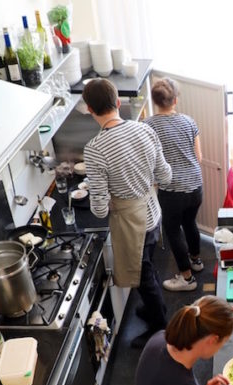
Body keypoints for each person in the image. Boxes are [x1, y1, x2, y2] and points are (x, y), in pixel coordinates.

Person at [82, 79, 172, 346]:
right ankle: (158, 309)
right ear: (118, 102)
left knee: (142, 276)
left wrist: (109, 200)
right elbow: (165, 176)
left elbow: (98, 209)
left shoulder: (95, 150)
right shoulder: (145, 130)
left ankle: (160, 329)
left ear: (89, 109)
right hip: (153, 213)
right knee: (147, 266)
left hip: (132, 224)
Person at [142, 77, 204, 293]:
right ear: (175, 100)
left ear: (154, 100)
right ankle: (196, 260)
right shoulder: (189, 121)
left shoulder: (147, 126)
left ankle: (186, 278)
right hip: (195, 185)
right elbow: (199, 156)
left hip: (172, 189)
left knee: (172, 230)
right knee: (190, 222)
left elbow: (148, 160)